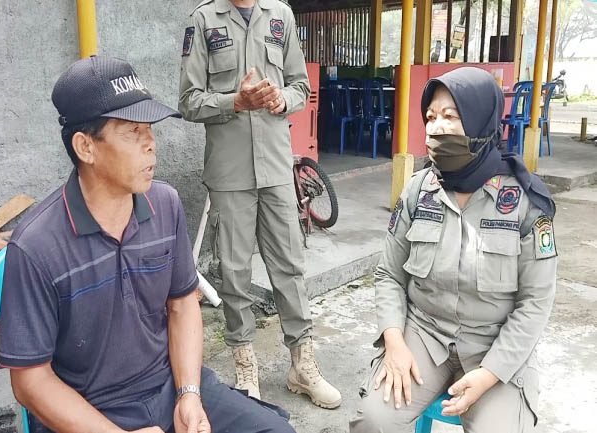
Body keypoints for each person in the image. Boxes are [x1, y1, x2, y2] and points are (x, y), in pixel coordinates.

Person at [0, 55, 296, 433]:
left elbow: (182, 304)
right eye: (131, 131)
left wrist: (189, 392)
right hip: (90, 411)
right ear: (85, 147)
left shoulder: (165, 204)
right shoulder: (36, 246)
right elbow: (30, 382)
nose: (151, 143)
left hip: (170, 386)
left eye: (150, 128)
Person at [349, 67, 558, 433]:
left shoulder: (525, 202)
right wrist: (394, 342)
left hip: (494, 344)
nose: (435, 127)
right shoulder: (418, 190)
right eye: (430, 117)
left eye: (450, 116)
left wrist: (490, 374)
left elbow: (535, 302)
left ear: (481, 121)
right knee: (373, 422)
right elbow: (389, 274)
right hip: (424, 336)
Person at [178, 0, 341, 409]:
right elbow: (189, 100)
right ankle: (245, 365)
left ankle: (302, 365)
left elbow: (301, 87)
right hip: (229, 172)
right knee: (233, 270)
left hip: (274, 165)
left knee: (289, 264)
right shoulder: (203, 20)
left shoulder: (280, 16)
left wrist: (281, 100)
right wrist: (235, 101)